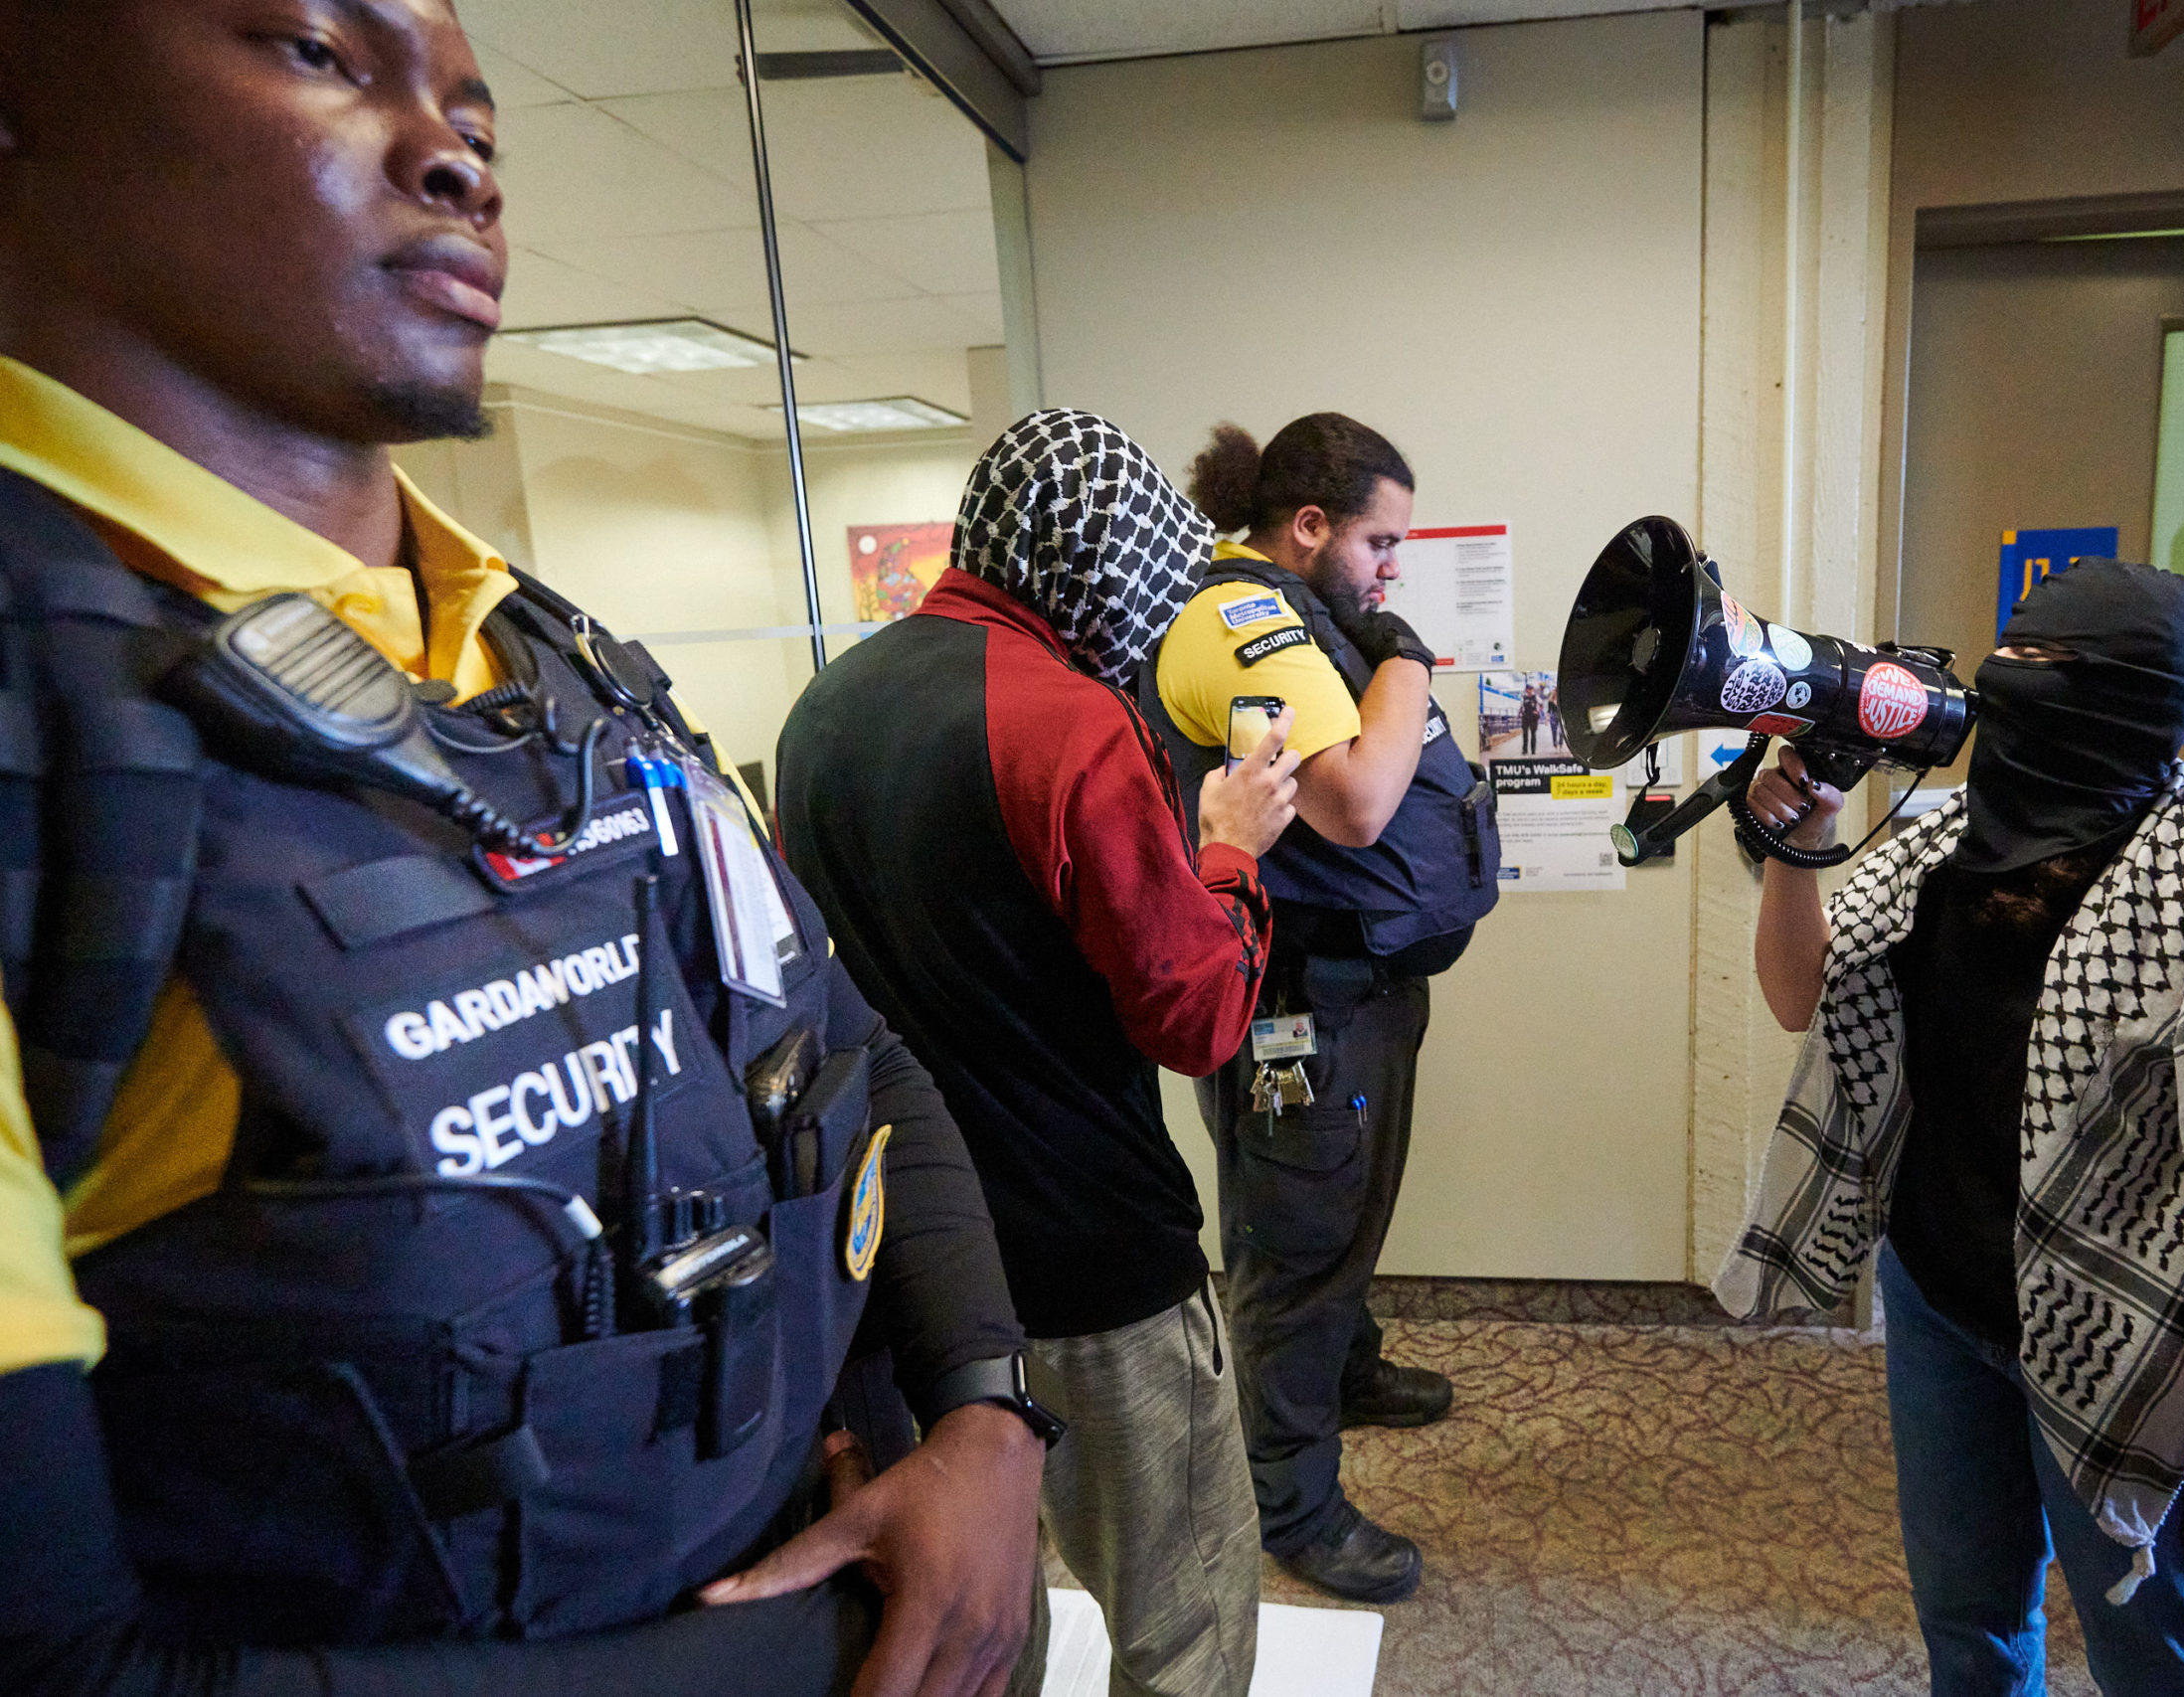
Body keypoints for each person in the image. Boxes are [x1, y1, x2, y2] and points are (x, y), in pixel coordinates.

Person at [0, 4, 1047, 1692]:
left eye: (473, 106)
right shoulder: (53, 718)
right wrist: (824, 1648)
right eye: (317, 52)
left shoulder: (545, 656)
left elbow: (843, 1044)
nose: (456, 155)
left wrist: (988, 1416)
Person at [1723, 560, 2184, 1696]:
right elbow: (1805, 996)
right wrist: (1796, 854)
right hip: (1939, 1301)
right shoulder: (1938, 843)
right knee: (1967, 1617)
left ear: (2143, 700)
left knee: (2155, 1647)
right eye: (2012, 651)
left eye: (2052, 665)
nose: (2006, 680)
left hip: (2133, 1332)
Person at [776, 410, 1297, 1697]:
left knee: (983, 1618)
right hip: (1094, 1262)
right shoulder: (1066, 722)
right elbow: (1197, 1015)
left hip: (913, 1266)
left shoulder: (823, 708)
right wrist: (1228, 845)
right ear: (1094, 552)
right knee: (1183, 1619)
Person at [1140, 415, 1500, 1604]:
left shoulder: (1301, 625)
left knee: (1330, 1212)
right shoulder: (1244, 629)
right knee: (1294, 1239)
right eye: (1380, 543)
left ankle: (1343, 1368)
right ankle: (1290, 1501)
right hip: (1301, 1008)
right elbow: (1349, 805)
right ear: (1308, 527)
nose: (1391, 568)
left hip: (1359, 990)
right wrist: (1405, 661)